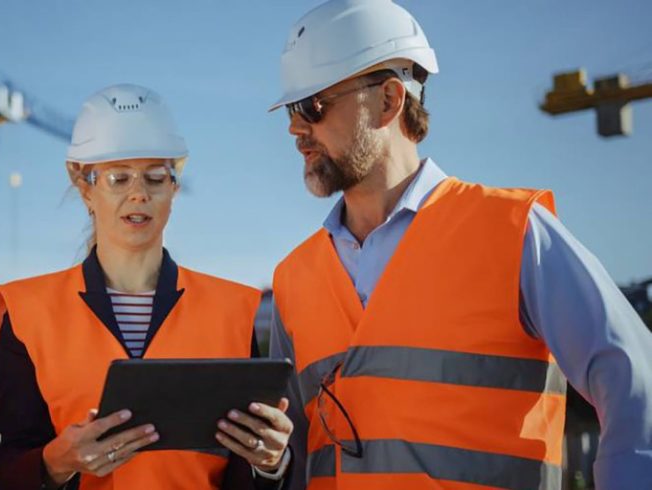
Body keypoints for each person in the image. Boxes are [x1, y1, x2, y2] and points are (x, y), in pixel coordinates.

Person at [266, 1, 652, 489]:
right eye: (291, 112)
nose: (296, 129)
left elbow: (636, 383)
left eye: (312, 107)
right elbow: (293, 457)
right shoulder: (293, 278)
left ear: (388, 101)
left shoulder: (513, 231)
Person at [0, 84, 294, 489]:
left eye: (154, 178)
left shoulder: (231, 310)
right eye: (118, 178)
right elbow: (6, 474)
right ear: (85, 189)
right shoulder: (30, 312)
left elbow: (243, 475)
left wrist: (271, 463)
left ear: (174, 190)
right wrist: (57, 461)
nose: (138, 194)